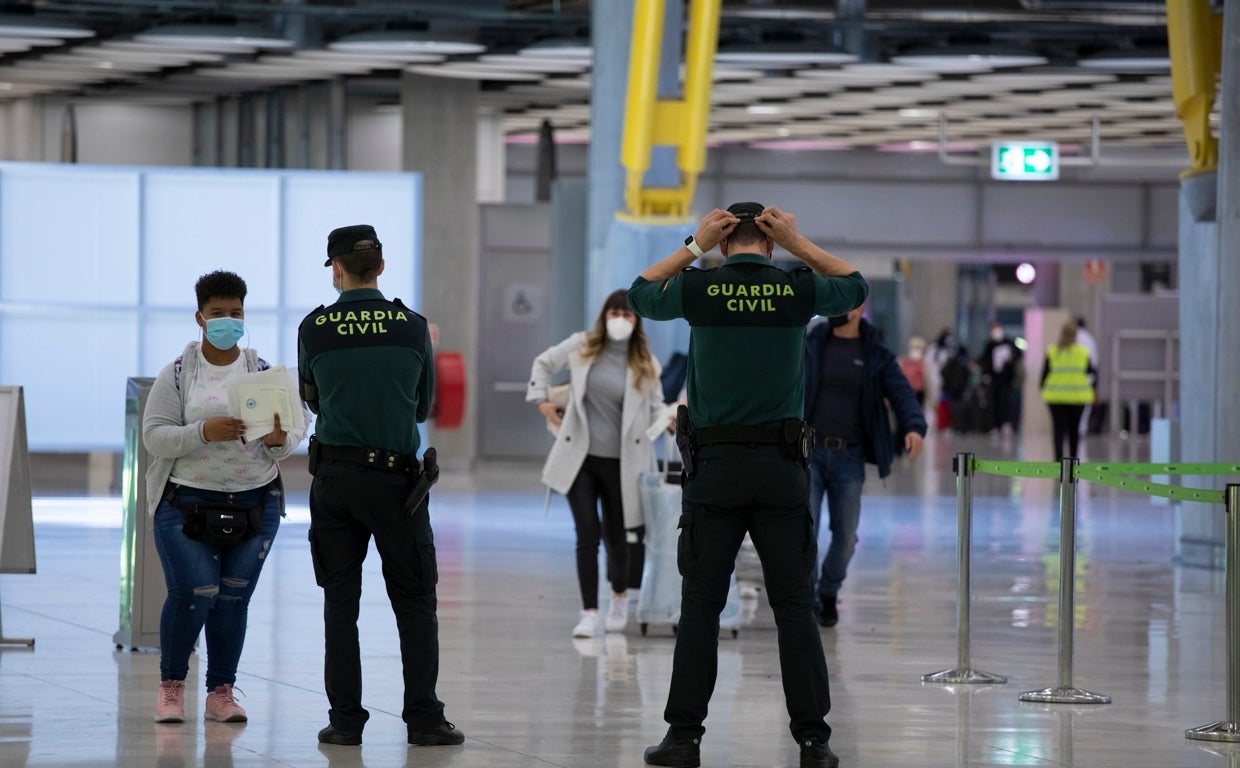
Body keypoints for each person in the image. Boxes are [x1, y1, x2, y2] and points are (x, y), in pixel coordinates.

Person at [629, 202, 868, 768]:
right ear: (769, 241)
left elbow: (640, 294)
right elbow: (854, 287)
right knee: (794, 609)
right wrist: (799, 243)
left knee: (701, 607)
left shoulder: (700, 289)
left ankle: (683, 738)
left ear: (722, 239)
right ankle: (814, 742)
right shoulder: (795, 291)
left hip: (714, 471)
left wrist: (693, 247)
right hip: (783, 470)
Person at [297, 224, 463, 749]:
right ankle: (424, 719)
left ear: (337, 269)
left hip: (336, 481)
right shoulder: (412, 327)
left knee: (340, 602)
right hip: (398, 486)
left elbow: (313, 398)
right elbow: (422, 405)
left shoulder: (315, 328)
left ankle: (345, 721)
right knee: (415, 601)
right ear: (382, 266)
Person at [144, 270, 305, 724]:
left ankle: (222, 692)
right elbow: (154, 436)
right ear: (200, 317)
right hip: (185, 503)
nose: (228, 322)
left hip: (255, 503)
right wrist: (202, 431)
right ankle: (172, 686)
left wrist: (277, 439)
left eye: (235, 314)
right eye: (218, 314)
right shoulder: (177, 374)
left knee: (234, 598)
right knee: (194, 592)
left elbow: (294, 429)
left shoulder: (262, 372)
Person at [526, 289, 667, 638]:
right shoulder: (583, 346)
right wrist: (542, 401)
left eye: (628, 315)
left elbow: (654, 409)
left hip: (624, 466)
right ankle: (589, 610)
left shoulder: (647, 364)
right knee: (586, 534)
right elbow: (543, 363)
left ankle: (619, 596)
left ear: (638, 322)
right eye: (615, 312)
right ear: (605, 315)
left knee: (618, 538)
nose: (620, 320)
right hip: (581, 459)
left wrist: (669, 418)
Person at [804, 306, 927, 628]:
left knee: (845, 539)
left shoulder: (875, 352)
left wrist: (914, 426)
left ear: (858, 308)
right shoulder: (811, 343)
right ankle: (806, 601)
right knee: (805, 532)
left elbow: (902, 392)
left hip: (849, 458)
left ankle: (828, 591)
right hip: (809, 454)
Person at [1040, 319, 1096, 462]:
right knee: (1074, 430)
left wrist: (1043, 390)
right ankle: (1072, 462)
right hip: (1077, 398)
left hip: (1055, 398)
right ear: (1075, 335)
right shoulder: (1082, 353)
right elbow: (1091, 372)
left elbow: (1044, 375)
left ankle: (1058, 462)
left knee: (1058, 430)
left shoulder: (1052, 351)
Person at [977, 321, 1022, 434]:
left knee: (1006, 401)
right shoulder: (989, 345)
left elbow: (1018, 354)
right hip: (994, 379)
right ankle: (995, 425)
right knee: (994, 402)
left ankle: (1006, 423)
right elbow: (984, 359)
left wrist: (1011, 358)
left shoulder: (1009, 342)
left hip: (1007, 378)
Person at [1074, 316, 1099, 437]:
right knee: (1085, 406)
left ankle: (1073, 428)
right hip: (1086, 377)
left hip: (1071, 379)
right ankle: (1082, 429)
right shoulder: (1089, 339)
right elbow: (1094, 361)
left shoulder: (1071, 338)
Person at [896, 335, 926, 408]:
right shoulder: (902, 361)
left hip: (918, 393)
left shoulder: (924, 362)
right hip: (905, 392)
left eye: (918, 347)